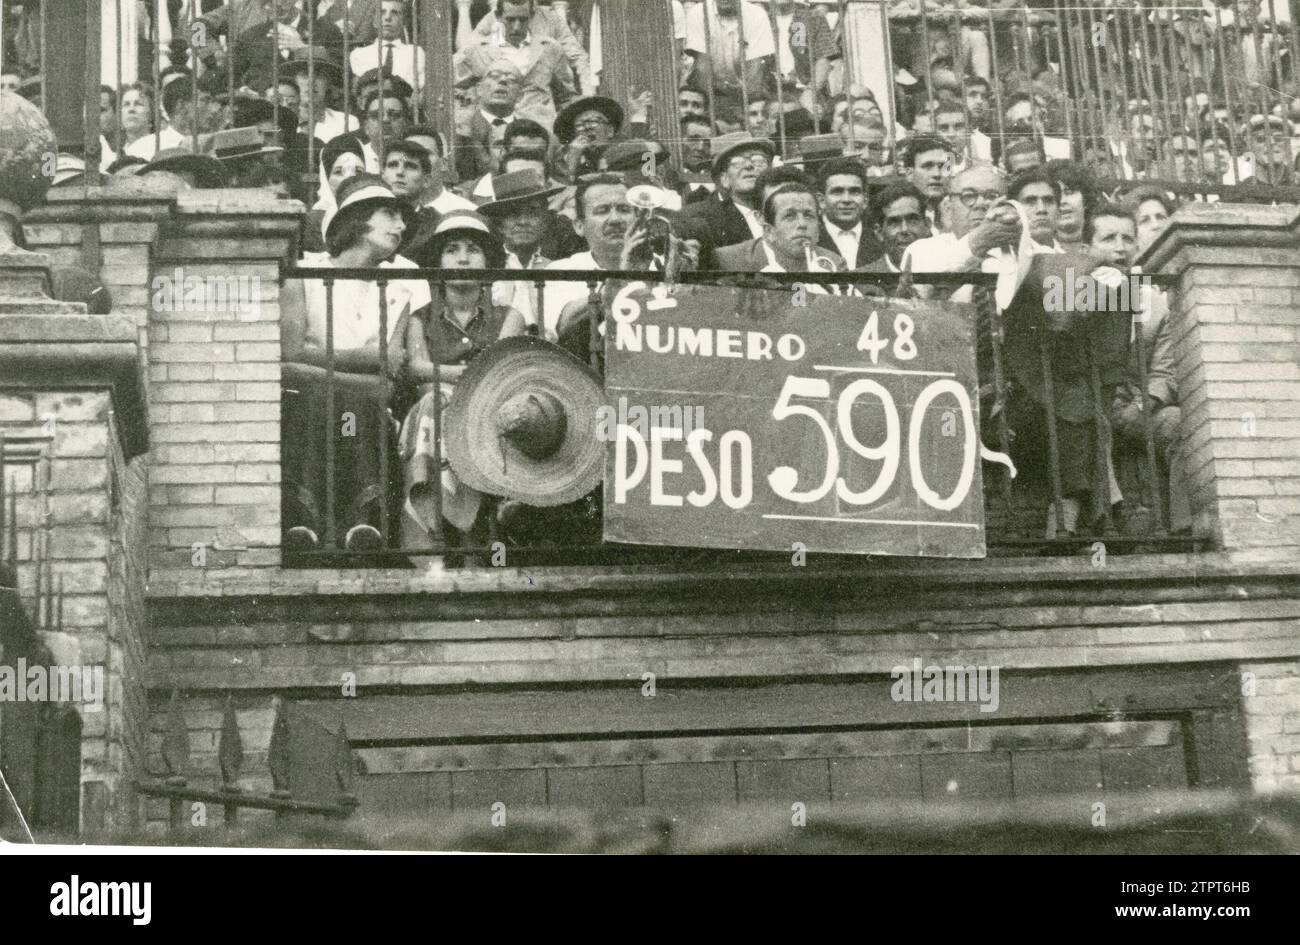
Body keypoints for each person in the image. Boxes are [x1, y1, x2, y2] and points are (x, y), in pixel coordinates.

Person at [280, 175, 431, 551]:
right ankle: (303, 522)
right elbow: (289, 356)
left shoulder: (399, 288)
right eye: (389, 215)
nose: (401, 225)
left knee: (353, 408)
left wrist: (322, 369)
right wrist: (364, 359)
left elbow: (390, 374)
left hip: (360, 410)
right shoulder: (304, 273)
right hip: (306, 403)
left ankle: (366, 523)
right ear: (358, 220)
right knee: (327, 405)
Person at [393, 212, 527, 560]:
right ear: (438, 260)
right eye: (452, 249)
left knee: (447, 408)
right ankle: (433, 537)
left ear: (488, 260)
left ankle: (455, 535)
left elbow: (497, 370)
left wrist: (446, 375)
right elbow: (417, 369)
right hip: (433, 409)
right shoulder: (419, 317)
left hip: (488, 407)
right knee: (435, 404)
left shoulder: (509, 315)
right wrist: (460, 376)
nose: (463, 258)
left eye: (473, 249)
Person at [454, 0, 575, 128]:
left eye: (523, 20)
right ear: (498, 16)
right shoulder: (477, 50)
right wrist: (468, 119)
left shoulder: (550, 48)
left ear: (532, 16)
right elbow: (457, 89)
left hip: (538, 131)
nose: (516, 27)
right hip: (494, 130)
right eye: (510, 20)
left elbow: (566, 96)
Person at [478, 168, 565, 332]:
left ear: (545, 220)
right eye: (513, 214)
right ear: (499, 225)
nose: (523, 221)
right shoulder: (487, 269)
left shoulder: (557, 269)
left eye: (532, 212)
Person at [675, 132, 776, 260]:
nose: (749, 165)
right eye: (737, 162)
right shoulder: (696, 220)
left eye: (758, 160)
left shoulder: (784, 210)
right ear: (724, 179)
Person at [715, 181, 845, 277]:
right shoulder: (729, 261)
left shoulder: (834, 263)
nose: (802, 224)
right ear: (769, 230)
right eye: (789, 216)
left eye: (808, 215)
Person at [348, 0, 426, 96]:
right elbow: (358, 92)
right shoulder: (359, 54)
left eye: (395, 13)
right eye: (382, 12)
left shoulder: (416, 52)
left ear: (404, 21)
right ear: (374, 21)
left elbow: (422, 89)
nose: (388, 17)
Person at [816, 157, 879, 268]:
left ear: (865, 200)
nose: (846, 200)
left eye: (854, 192)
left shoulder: (880, 240)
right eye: (837, 192)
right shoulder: (811, 240)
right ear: (821, 200)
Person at [861, 180, 929, 273]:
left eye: (913, 220)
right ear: (879, 232)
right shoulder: (859, 283)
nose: (904, 229)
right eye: (894, 222)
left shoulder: (947, 277)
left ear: (927, 226)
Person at [903, 134, 956, 229]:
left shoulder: (961, 214)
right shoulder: (899, 216)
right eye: (927, 166)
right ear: (910, 174)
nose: (936, 174)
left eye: (943, 167)